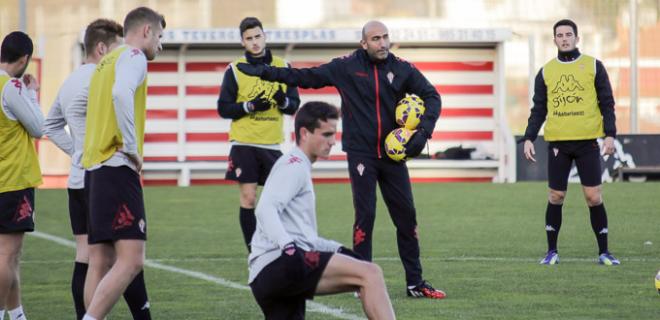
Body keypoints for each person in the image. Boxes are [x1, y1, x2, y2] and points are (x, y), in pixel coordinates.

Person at [238, 20, 445, 298]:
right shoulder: (346, 66)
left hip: (395, 155)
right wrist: (266, 72)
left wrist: (422, 132)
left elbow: (432, 96)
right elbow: (307, 77)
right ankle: (360, 279)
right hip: (362, 155)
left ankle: (415, 283)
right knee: (366, 216)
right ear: (363, 43)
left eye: (385, 38)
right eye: (375, 39)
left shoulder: (401, 68)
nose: (382, 43)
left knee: (407, 218)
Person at [43, 19, 152, 319]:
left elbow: (49, 126)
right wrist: (130, 147)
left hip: (79, 176)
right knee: (127, 256)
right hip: (105, 172)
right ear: (103, 47)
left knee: (92, 258)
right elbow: (119, 100)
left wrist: (76, 151)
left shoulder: (70, 80)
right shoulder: (106, 72)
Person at [249, 101, 396, 319]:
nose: (332, 142)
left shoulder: (296, 165)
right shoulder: (294, 165)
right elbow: (264, 209)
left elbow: (305, 237)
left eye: (334, 134)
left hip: (266, 274)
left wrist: (338, 249)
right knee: (371, 274)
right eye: (326, 134)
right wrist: (288, 247)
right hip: (279, 264)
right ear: (304, 133)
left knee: (364, 270)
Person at [80, 7, 165, 320]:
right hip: (117, 167)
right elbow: (121, 93)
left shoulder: (104, 63)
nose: (161, 45)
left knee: (99, 260)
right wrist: (132, 147)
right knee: (131, 261)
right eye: (160, 36)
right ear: (145, 31)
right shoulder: (133, 57)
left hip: (94, 170)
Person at [522, 19, 619, 266]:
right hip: (558, 144)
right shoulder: (545, 72)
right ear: (554, 39)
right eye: (559, 35)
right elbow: (539, 109)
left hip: (587, 142)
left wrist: (610, 134)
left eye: (568, 34)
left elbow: (607, 103)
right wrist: (529, 137)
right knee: (556, 196)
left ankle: (604, 253)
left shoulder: (594, 66)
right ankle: (552, 252)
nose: (564, 38)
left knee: (594, 197)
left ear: (577, 38)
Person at [217, 17, 300, 253]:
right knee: (249, 198)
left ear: (265, 36)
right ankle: (255, 252)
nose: (254, 42)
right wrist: (250, 106)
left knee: (278, 201)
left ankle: (279, 244)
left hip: (273, 145)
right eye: (249, 38)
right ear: (242, 42)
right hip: (243, 143)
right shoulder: (234, 69)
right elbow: (224, 108)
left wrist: (281, 100)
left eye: (257, 36)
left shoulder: (283, 66)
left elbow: (293, 106)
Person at [0, 30, 43, 320]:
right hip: (13, 179)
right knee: (7, 255)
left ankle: (17, 314)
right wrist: (32, 93)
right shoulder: (11, 87)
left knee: (9, 255)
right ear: (25, 58)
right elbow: (38, 127)